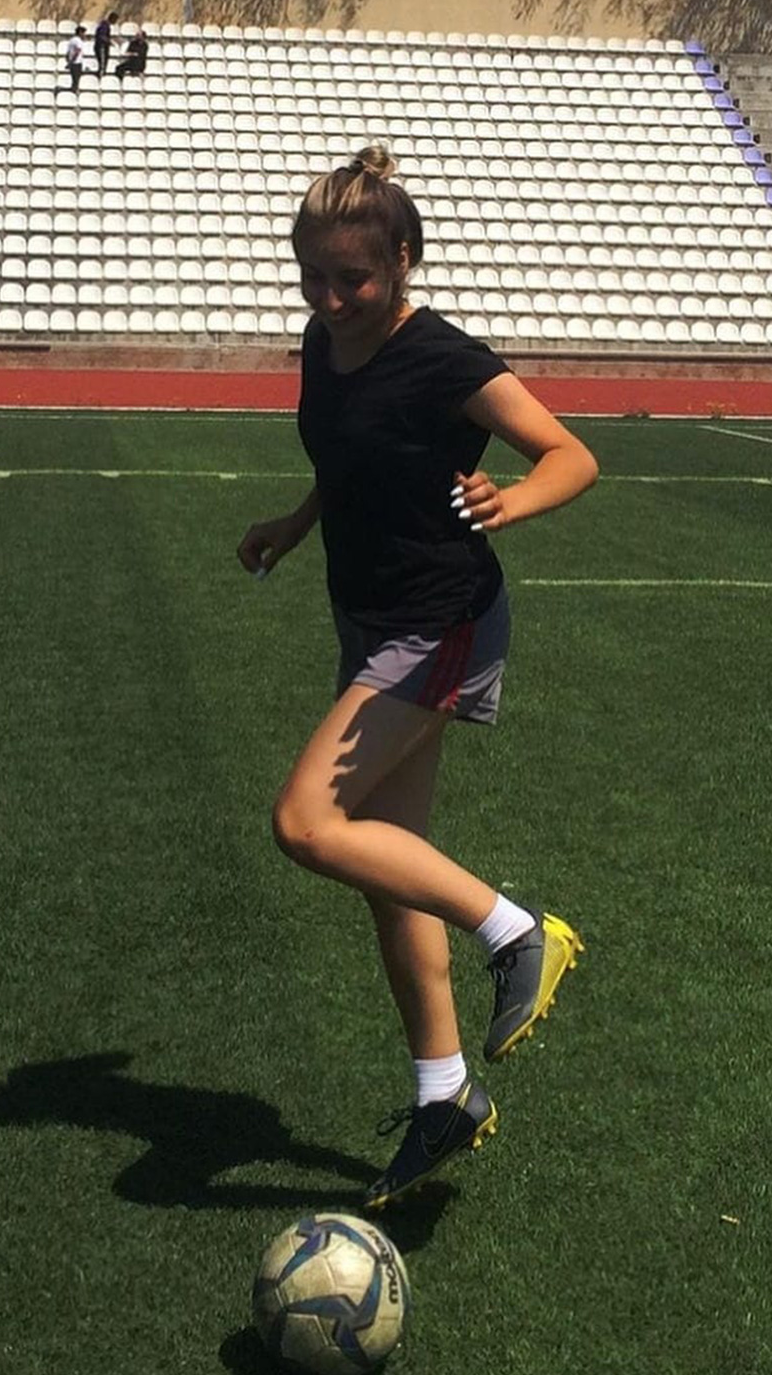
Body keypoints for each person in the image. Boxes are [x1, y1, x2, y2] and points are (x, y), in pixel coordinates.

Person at [236, 144, 599, 1211]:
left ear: (402, 261)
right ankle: (444, 1093)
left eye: (350, 278)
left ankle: (519, 930)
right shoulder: (324, 342)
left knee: (305, 821)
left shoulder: (443, 356)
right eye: (312, 277)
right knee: (386, 869)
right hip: (368, 614)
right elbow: (348, 455)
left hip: (440, 621)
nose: (328, 298)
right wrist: (296, 522)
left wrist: (509, 501)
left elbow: (571, 454)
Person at [58, 24, 87, 97]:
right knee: (76, 80)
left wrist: (69, 61)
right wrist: (72, 60)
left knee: (74, 79)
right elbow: (77, 51)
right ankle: (74, 94)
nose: (84, 35)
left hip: (72, 63)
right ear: (80, 32)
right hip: (77, 63)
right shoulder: (78, 41)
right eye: (83, 33)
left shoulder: (71, 40)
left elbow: (67, 53)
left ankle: (73, 92)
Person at [94, 11, 119, 77]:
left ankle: (101, 75)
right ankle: (101, 77)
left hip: (102, 47)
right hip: (101, 47)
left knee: (103, 64)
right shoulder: (104, 26)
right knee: (102, 64)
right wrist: (109, 42)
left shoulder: (105, 25)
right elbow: (102, 36)